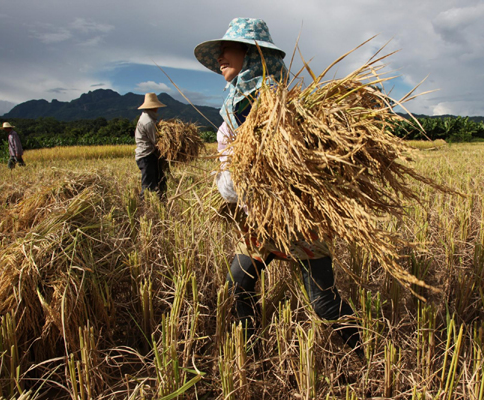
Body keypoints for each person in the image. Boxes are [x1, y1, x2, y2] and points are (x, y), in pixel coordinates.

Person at [194, 17, 363, 358]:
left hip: (303, 220)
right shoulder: (230, 118)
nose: (222, 56)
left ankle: (365, 354)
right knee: (238, 287)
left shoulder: (291, 109)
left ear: (254, 55)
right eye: (221, 51)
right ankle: (251, 355)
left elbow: (311, 164)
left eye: (231, 49)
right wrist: (243, 177)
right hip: (261, 220)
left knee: (323, 302)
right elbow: (230, 186)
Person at [135, 93, 167, 199]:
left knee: (159, 179)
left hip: (150, 155)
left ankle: (161, 200)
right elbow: (156, 141)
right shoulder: (148, 122)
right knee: (148, 184)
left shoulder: (148, 117)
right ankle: (143, 203)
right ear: (153, 107)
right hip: (146, 156)